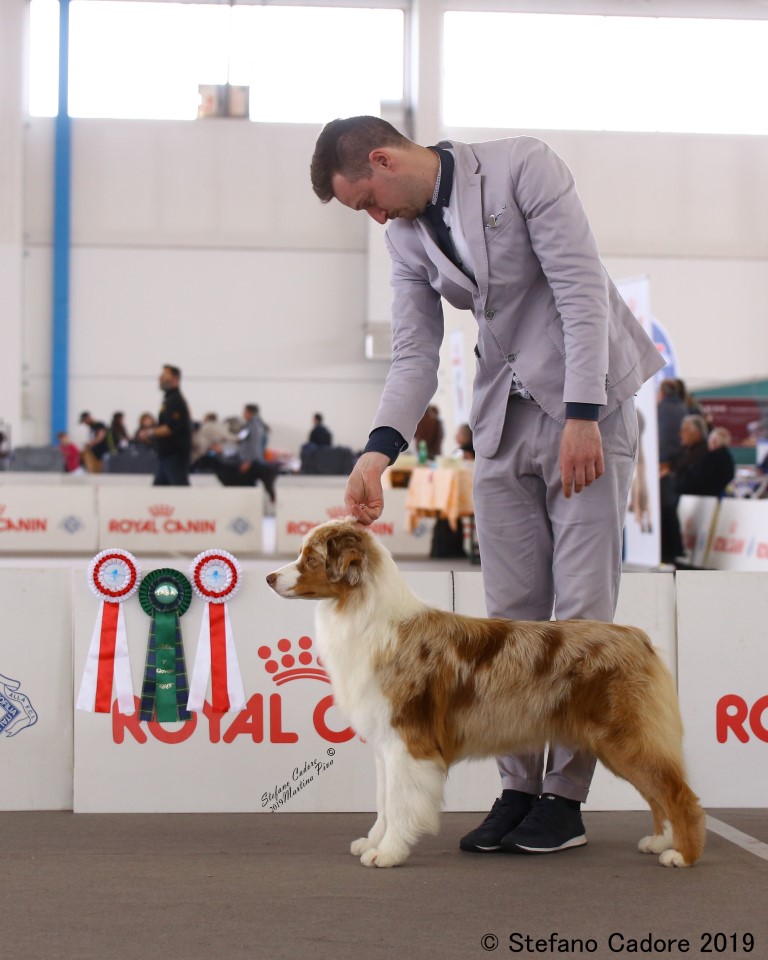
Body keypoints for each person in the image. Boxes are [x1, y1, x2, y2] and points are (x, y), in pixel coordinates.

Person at [310, 115, 664, 856]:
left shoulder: (521, 166)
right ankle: (519, 787)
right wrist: (379, 452)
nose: (374, 219)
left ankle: (565, 800)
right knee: (508, 617)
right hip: (500, 416)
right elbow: (414, 351)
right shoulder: (404, 238)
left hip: (584, 406)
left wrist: (583, 413)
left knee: (582, 612)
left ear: (382, 159)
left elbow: (578, 288)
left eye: (367, 201)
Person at [139, 365, 192, 486]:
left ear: (175, 378)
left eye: (164, 375)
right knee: (160, 492)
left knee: (180, 492)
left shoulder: (176, 400)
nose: (160, 378)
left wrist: (149, 432)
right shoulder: (168, 399)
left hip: (175, 457)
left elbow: (171, 427)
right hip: (166, 457)